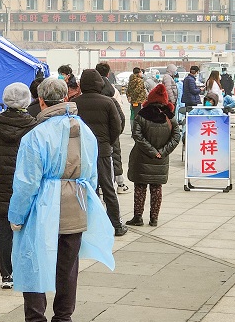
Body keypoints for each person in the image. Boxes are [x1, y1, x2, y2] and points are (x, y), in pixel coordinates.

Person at [5, 77, 115, 322]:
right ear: (66, 97)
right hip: (75, 201)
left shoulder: (37, 135)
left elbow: (26, 182)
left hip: (44, 204)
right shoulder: (84, 131)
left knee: (33, 259)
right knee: (68, 266)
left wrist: (16, 216)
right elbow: (91, 174)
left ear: (40, 100)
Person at [0, 83, 37, 289]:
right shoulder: (32, 124)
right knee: (26, 229)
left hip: (2, 183)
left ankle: (6, 274)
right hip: (26, 184)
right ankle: (23, 270)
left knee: (3, 229)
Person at [74, 69, 127, 236]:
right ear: (100, 83)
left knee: (87, 188)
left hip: (82, 152)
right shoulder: (108, 102)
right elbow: (116, 128)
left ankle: (91, 225)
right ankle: (115, 225)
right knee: (108, 187)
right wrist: (107, 143)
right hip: (103, 151)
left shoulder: (75, 102)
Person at [126, 84, 180, 227]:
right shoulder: (170, 117)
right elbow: (176, 137)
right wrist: (161, 152)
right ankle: (154, 218)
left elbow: (136, 135)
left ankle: (138, 217)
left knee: (140, 188)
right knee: (156, 189)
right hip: (160, 160)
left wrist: (151, 151)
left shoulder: (141, 115)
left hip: (141, 158)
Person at [96, 62, 131, 195]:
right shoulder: (113, 91)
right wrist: (116, 131)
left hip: (96, 132)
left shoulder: (90, 91)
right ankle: (120, 184)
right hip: (111, 130)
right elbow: (120, 113)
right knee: (115, 155)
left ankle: (98, 187)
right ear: (108, 73)